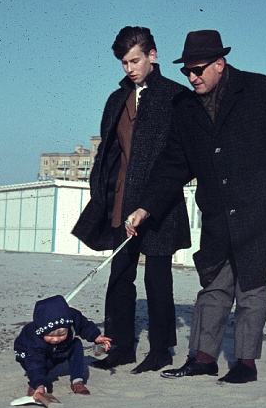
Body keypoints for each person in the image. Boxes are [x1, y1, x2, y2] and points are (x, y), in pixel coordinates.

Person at [125, 29, 266, 384]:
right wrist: (146, 207)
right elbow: (174, 163)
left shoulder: (263, 91)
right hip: (218, 214)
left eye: (199, 70)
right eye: (186, 72)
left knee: (251, 288)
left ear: (220, 64)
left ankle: (245, 364)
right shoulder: (185, 107)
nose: (192, 78)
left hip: (262, 211)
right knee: (213, 286)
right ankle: (203, 359)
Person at [72, 26, 191, 373]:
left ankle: (161, 351)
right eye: (124, 62)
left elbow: (180, 158)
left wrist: (151, 203)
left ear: (152, 56)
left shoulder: (176, 97)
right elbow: (107, 154)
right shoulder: (116, 99)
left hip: (160, 205)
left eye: (135, 60)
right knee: (119, 276)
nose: (129, 68)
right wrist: (100, 191)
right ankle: (121, 347)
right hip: (120, 202)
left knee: (158, 278)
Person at [14, 294, 112, 398]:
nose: (56, 339)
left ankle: (77, 381)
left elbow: (84, 325)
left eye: (61, 334)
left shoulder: (72, 318)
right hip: (27, 354)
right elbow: (35, 362)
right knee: (39, 366)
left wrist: (96, 337)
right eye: (50, 336)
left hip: (58, 349)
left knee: (76, 344)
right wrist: (39, 384)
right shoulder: (35, 338)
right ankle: (36, 385)